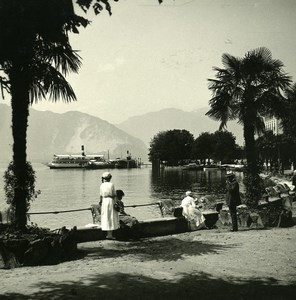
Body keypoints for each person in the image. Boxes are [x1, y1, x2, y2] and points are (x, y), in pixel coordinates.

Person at [99, 172, 119, 239]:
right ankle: (111, 235)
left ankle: (108, 234)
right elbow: (115, 195)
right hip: (110, 201)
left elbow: (100, 196)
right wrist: (116, 203)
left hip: (104, 201)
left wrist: (101, 202)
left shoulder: (101, 185)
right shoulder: (111, 185)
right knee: (111, 216)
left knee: (106, 216)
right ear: (109, 178)